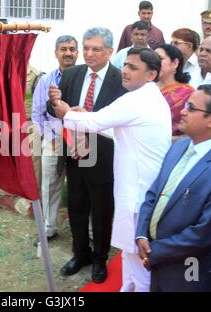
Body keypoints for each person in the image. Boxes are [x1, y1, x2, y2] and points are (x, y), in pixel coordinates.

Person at [50, 47, 172, 291]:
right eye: (125, 65)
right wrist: (84, 116)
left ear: (151, 75)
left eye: (133, 68)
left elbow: (98, 122)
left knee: (139, 260)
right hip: (136, 188)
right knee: (129, 254)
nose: (125, 71)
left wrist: (67, 113)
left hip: (138, 193)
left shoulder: (137, 99)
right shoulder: (146, 97)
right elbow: (115, 128)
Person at [136, 85, 211, 292]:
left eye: (192, 108)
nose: (183, 111)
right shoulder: (178, 147)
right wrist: (142, 234)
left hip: (188, 271)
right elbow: (154, 194)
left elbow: (203, 235)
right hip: (157, 260)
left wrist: (154, 251)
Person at [47, 27, 127, 284]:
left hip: (104, 156)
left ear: (110, 51)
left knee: (102, 210)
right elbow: (57, 110)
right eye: (86, 48)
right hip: (73, 154)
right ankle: (79, 253)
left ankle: (100, 258)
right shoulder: (72, 74)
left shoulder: (120, 80)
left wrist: (83, 116)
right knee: (77, 207)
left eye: (96, 49)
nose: (89, 54)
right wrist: (54, 103)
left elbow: (120, 122)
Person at [31, 35, 79, 246]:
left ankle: (86, 231)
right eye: (63, 49)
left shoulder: (85, 78)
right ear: (56, 53)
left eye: (71, 49)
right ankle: (49, 228)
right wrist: (49, 137)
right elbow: (37, 113)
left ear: (77, 52)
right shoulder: (46, 80)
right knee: (49, 184)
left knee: (82, 186)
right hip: (53, 140)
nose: (68, 53)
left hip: (83, 142)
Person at [155, 44, 194, 138]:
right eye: (152, 59)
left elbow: (193, 129)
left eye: (159, 58)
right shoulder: (146, 89)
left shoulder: (187, 93)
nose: (154, 63)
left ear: (175, 63)